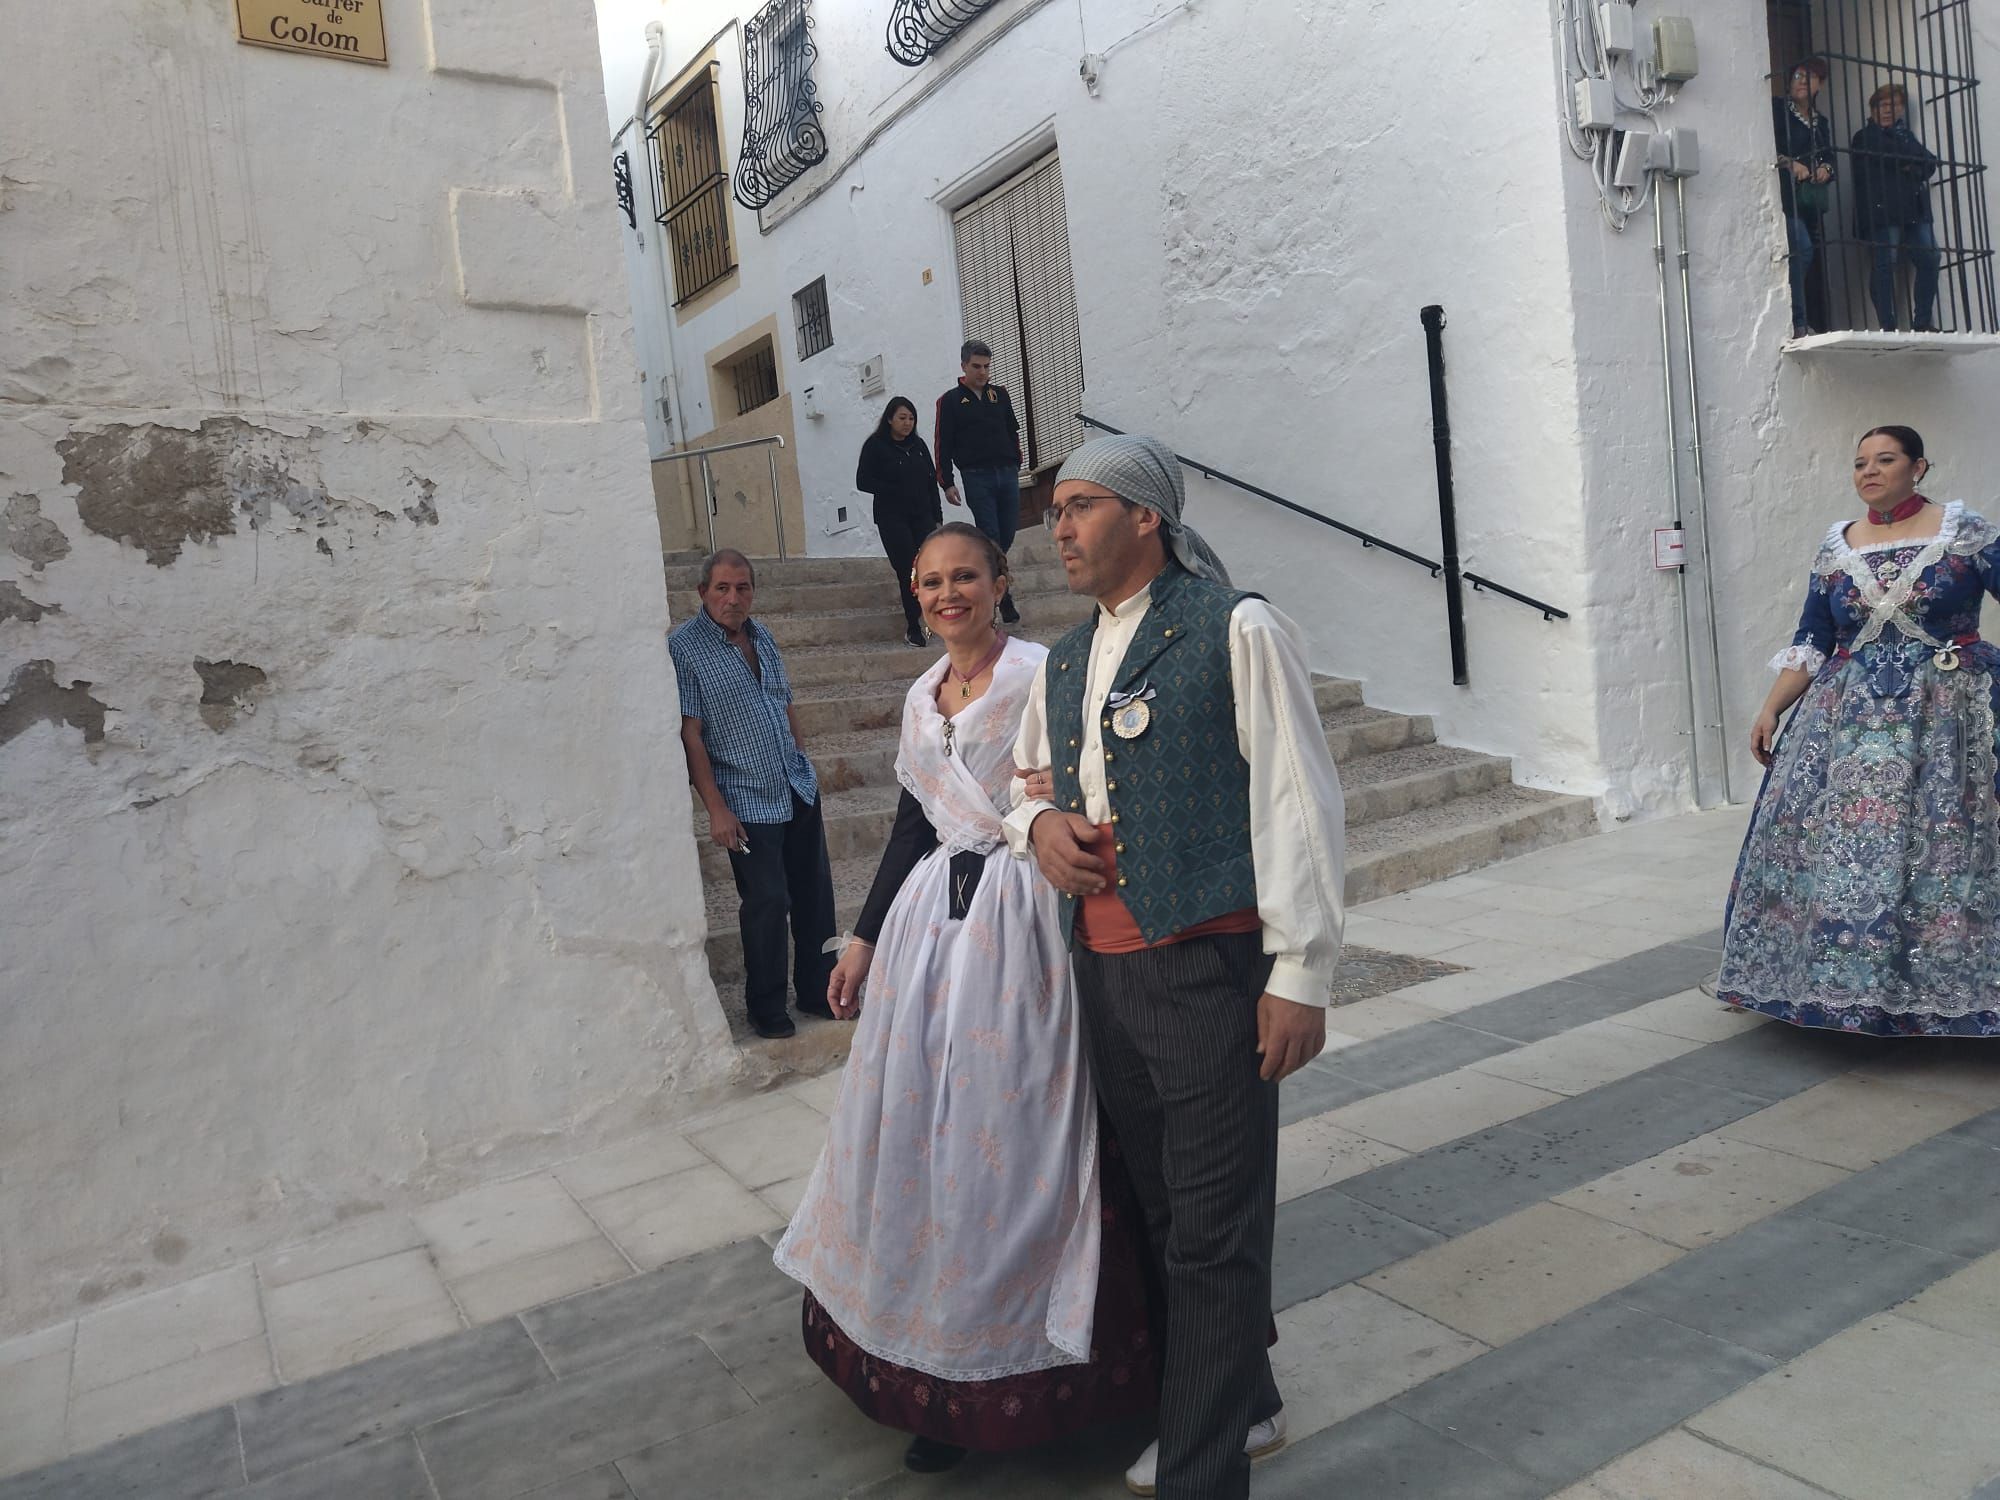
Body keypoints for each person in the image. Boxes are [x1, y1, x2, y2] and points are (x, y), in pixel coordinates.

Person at [774, 522, 1157, 1475]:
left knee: (1021, 1140)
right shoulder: (919, 697)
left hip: (1028, 925)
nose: (949, 595)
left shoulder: (1043, 673)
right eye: (932, 581)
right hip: (929, 946)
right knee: (926, 1146)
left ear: (999, 580)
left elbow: (1093, 792)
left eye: (965, 577)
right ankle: (941, 1384)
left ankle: (1073, 1378)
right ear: (915, 591)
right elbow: (914, 821)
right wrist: (862, 939)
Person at [1007, 434, 1347, 1500]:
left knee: (1211, 1231)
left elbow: (1298, 800)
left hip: (1207, 970)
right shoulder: (1062, 661)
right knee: (1158, 1212)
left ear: (1144, 517)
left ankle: (1202, 1473)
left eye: (1077, 505)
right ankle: (1241, 1399)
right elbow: (1021, 786)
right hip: (1103, 980)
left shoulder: (1232, 627)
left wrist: (1299, 973)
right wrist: (1039, 827)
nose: (1056, 528)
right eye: (1053, 510)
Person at [1719, 426, 2000, 1036]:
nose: (1869, 471)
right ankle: (1834, 989)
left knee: (1946, 847)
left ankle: (1946, 993)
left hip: (1946, 716)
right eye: (1859, 463)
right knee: (1839, 853)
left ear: (1918, 466)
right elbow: (1814, 639)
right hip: (1845, 725)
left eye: (1885, 460)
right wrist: (1771, 709)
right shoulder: (1836, 547)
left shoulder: (1965, 532)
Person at [668, 548, 837, 1040]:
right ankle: (766, 1007)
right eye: (722, 588)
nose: (733, 598)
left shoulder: (762, 637)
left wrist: (803, 763)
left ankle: (818, 990)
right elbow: (690, 734)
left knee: (814, 897)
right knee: (766, 902)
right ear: (702, 593)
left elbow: (785, 706)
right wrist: (715, 810)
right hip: (745, 801)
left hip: (795, 788)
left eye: (742, 588)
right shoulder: (684, 649)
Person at [934, 340, 1024, 624]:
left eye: (986, 366)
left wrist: (1016, 459)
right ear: (963, 366)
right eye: (976, 366)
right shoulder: (949, 401)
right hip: (977, 476)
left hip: (1007, 471)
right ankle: (1003, 595)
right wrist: (946, 482)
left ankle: (992, 575)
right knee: (991, 534)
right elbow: (943, 444)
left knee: (1007, 534)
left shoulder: (1000, 395)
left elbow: (1012, 429)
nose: (982, 372)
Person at [1851, 83, 1941, 332]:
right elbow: (1894, 156)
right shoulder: (1865, 136)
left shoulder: (1906, 135)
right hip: (1882, 212)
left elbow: (1930, 163)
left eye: (1896, 104)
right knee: (1884, 263)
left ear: (1902, 108)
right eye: (1884, 104)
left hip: (1913, 210)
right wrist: (1911, 164)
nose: (1890, 110)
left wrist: (1908, 164)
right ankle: (1887, 325)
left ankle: (1922, 322)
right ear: (1873, 108)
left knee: (1930, 257)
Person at [856, 396, 945, 648]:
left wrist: (937, 517)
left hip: (922, 516)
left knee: (928, 567)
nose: (907, 423)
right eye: (902, 418)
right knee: (907, 569)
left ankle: (933, 617)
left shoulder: (918, 445)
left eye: (911, 418)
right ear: (889, 419)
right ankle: (912, 625)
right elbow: (862, 480)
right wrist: (893, 488)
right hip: (891, 517)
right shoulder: (875, 446)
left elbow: (931, 482)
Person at [1773, 58, 1836, 339]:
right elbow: (1767, 145)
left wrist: (1825, 168)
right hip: (1785, 199)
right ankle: (1796, 321)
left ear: (1819, 85)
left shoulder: (1820, 122)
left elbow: (1830, 157)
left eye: (1809, 77)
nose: (1801, 81)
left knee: (1808, 253)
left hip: (1809, 203)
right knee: (1802, 249)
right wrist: (1790, 163)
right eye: (1797, 75)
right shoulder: (1778, 111)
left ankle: (1804, 318)